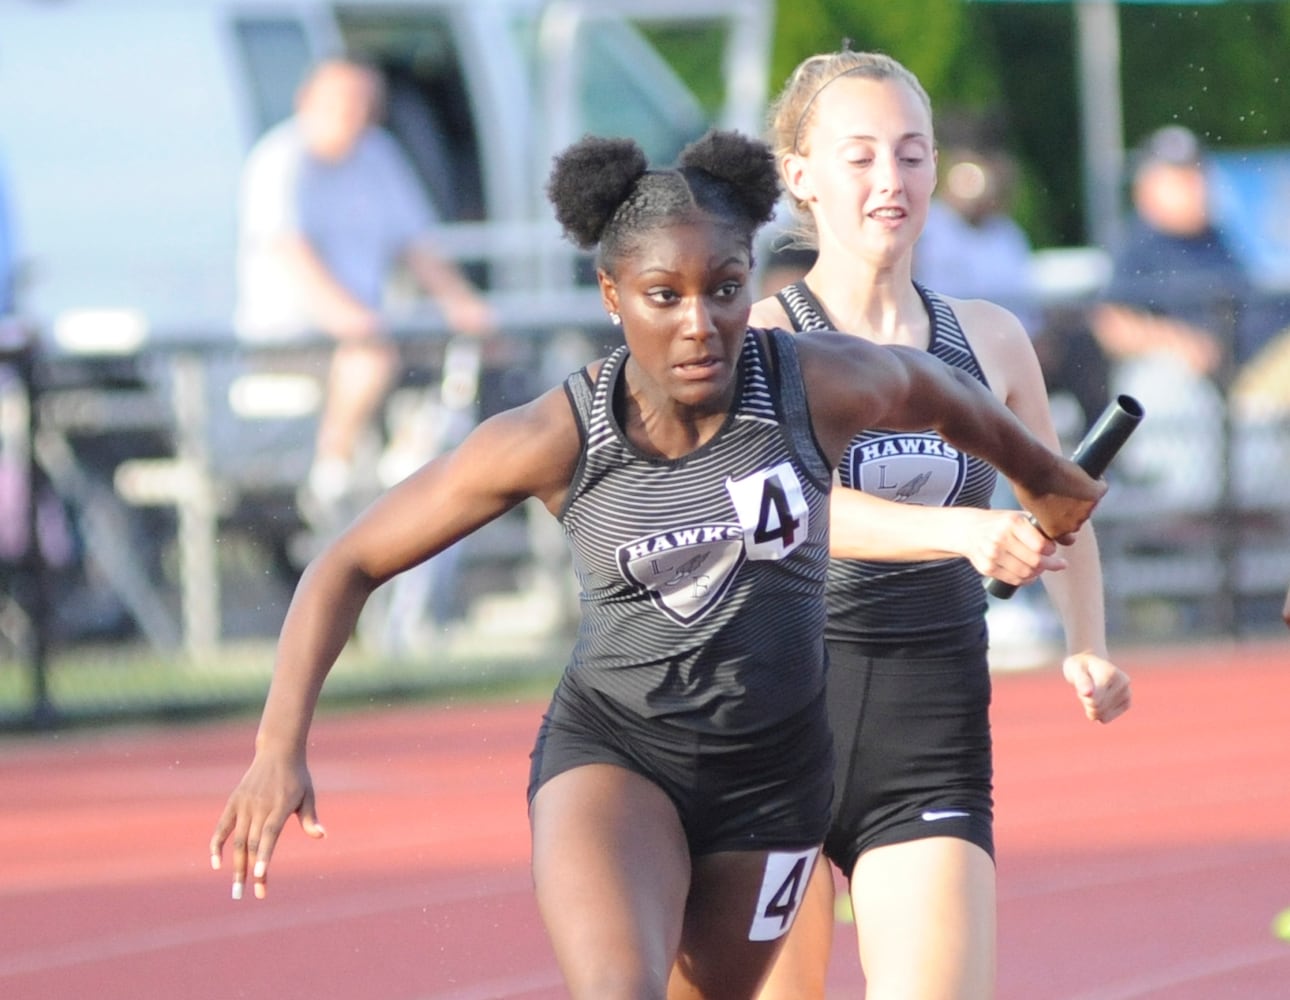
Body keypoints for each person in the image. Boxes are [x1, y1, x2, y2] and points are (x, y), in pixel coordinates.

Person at [209, 127, 1105, 1000]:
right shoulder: (556, 436)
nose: (700, 325)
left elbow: (935, 388)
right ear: (611, 295)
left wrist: (1043, 475)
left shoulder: (810, 384)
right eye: (662, 295)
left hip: (777, 784)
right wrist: (277, 746)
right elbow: (349, 562)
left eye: (723, 289)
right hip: (620, 757)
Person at [749, 50, 1133, 1000]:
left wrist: (1087, 642)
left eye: (913, 155)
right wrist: (961, 533)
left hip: (929, 734)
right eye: (862, 156)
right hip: (767, 734)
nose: (894, 180)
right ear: (799, 173)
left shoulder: (990, 338)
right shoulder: (759, 336)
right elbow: (780, 511)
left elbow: (1063, 503)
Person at [233, 57, 494, 521]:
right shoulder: (280, 160)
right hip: (292, 335)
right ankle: (332, 471)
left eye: (362, 104)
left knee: (467, 353)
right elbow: (291, 255)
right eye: (342, 102)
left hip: (369, 326)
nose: (352, 114)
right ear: (307, 102)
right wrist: (352, 321)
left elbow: (417, 246)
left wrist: (464, 307)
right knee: (368, 355)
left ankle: (417, 463)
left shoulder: (378, 154)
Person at [1089, 125, 1249, 509]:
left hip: (1244, 384)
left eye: (1194, 175)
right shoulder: (1140, 245)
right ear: (1148, 187)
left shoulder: (1217, 239)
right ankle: (1184, 508)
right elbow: (1110, 322)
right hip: (1189, 390)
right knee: (1163, 379)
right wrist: (1179, 342)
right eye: (1177, 178)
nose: (1192, 186)